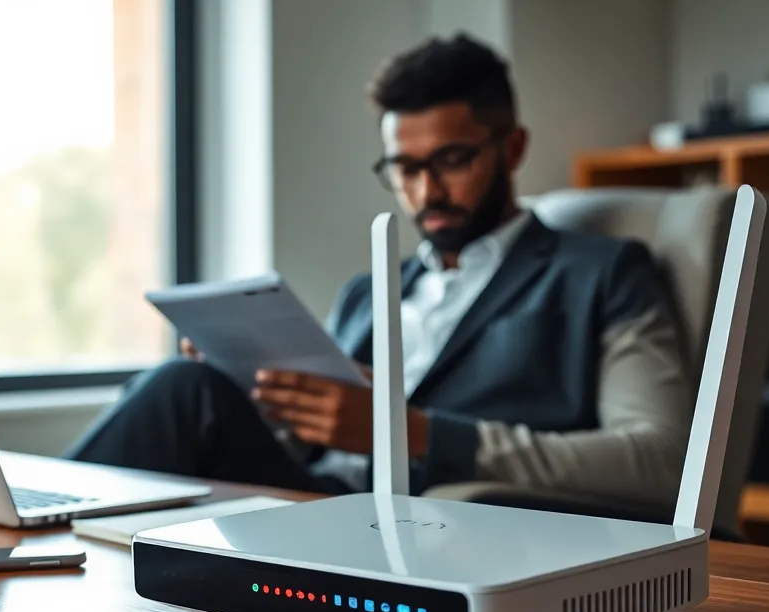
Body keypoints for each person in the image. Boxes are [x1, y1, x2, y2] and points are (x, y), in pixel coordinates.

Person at [64, 34, 692, 511]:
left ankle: (26, 529)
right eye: (403, 168)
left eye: (451, 160)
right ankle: (26, 528)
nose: (425, 191)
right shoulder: (368, 293)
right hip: (317, 502)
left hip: (442, 525)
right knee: (192, 389)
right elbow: (309, 449)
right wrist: (264, 395)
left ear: (514, 148)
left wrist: (418, 435)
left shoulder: (601, 275)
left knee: (179, 391)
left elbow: (661, 459)